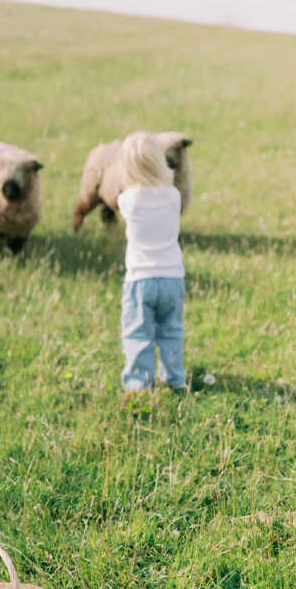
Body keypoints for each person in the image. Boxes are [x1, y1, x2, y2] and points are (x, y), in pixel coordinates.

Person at [117, 131, 186, 395]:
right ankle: (174, 378)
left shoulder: (129, 201)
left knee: (138, 334)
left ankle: (139, 385)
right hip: (172, 279)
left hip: (140, 280)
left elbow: (121, 197)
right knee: (171, 331)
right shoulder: (174, 196)